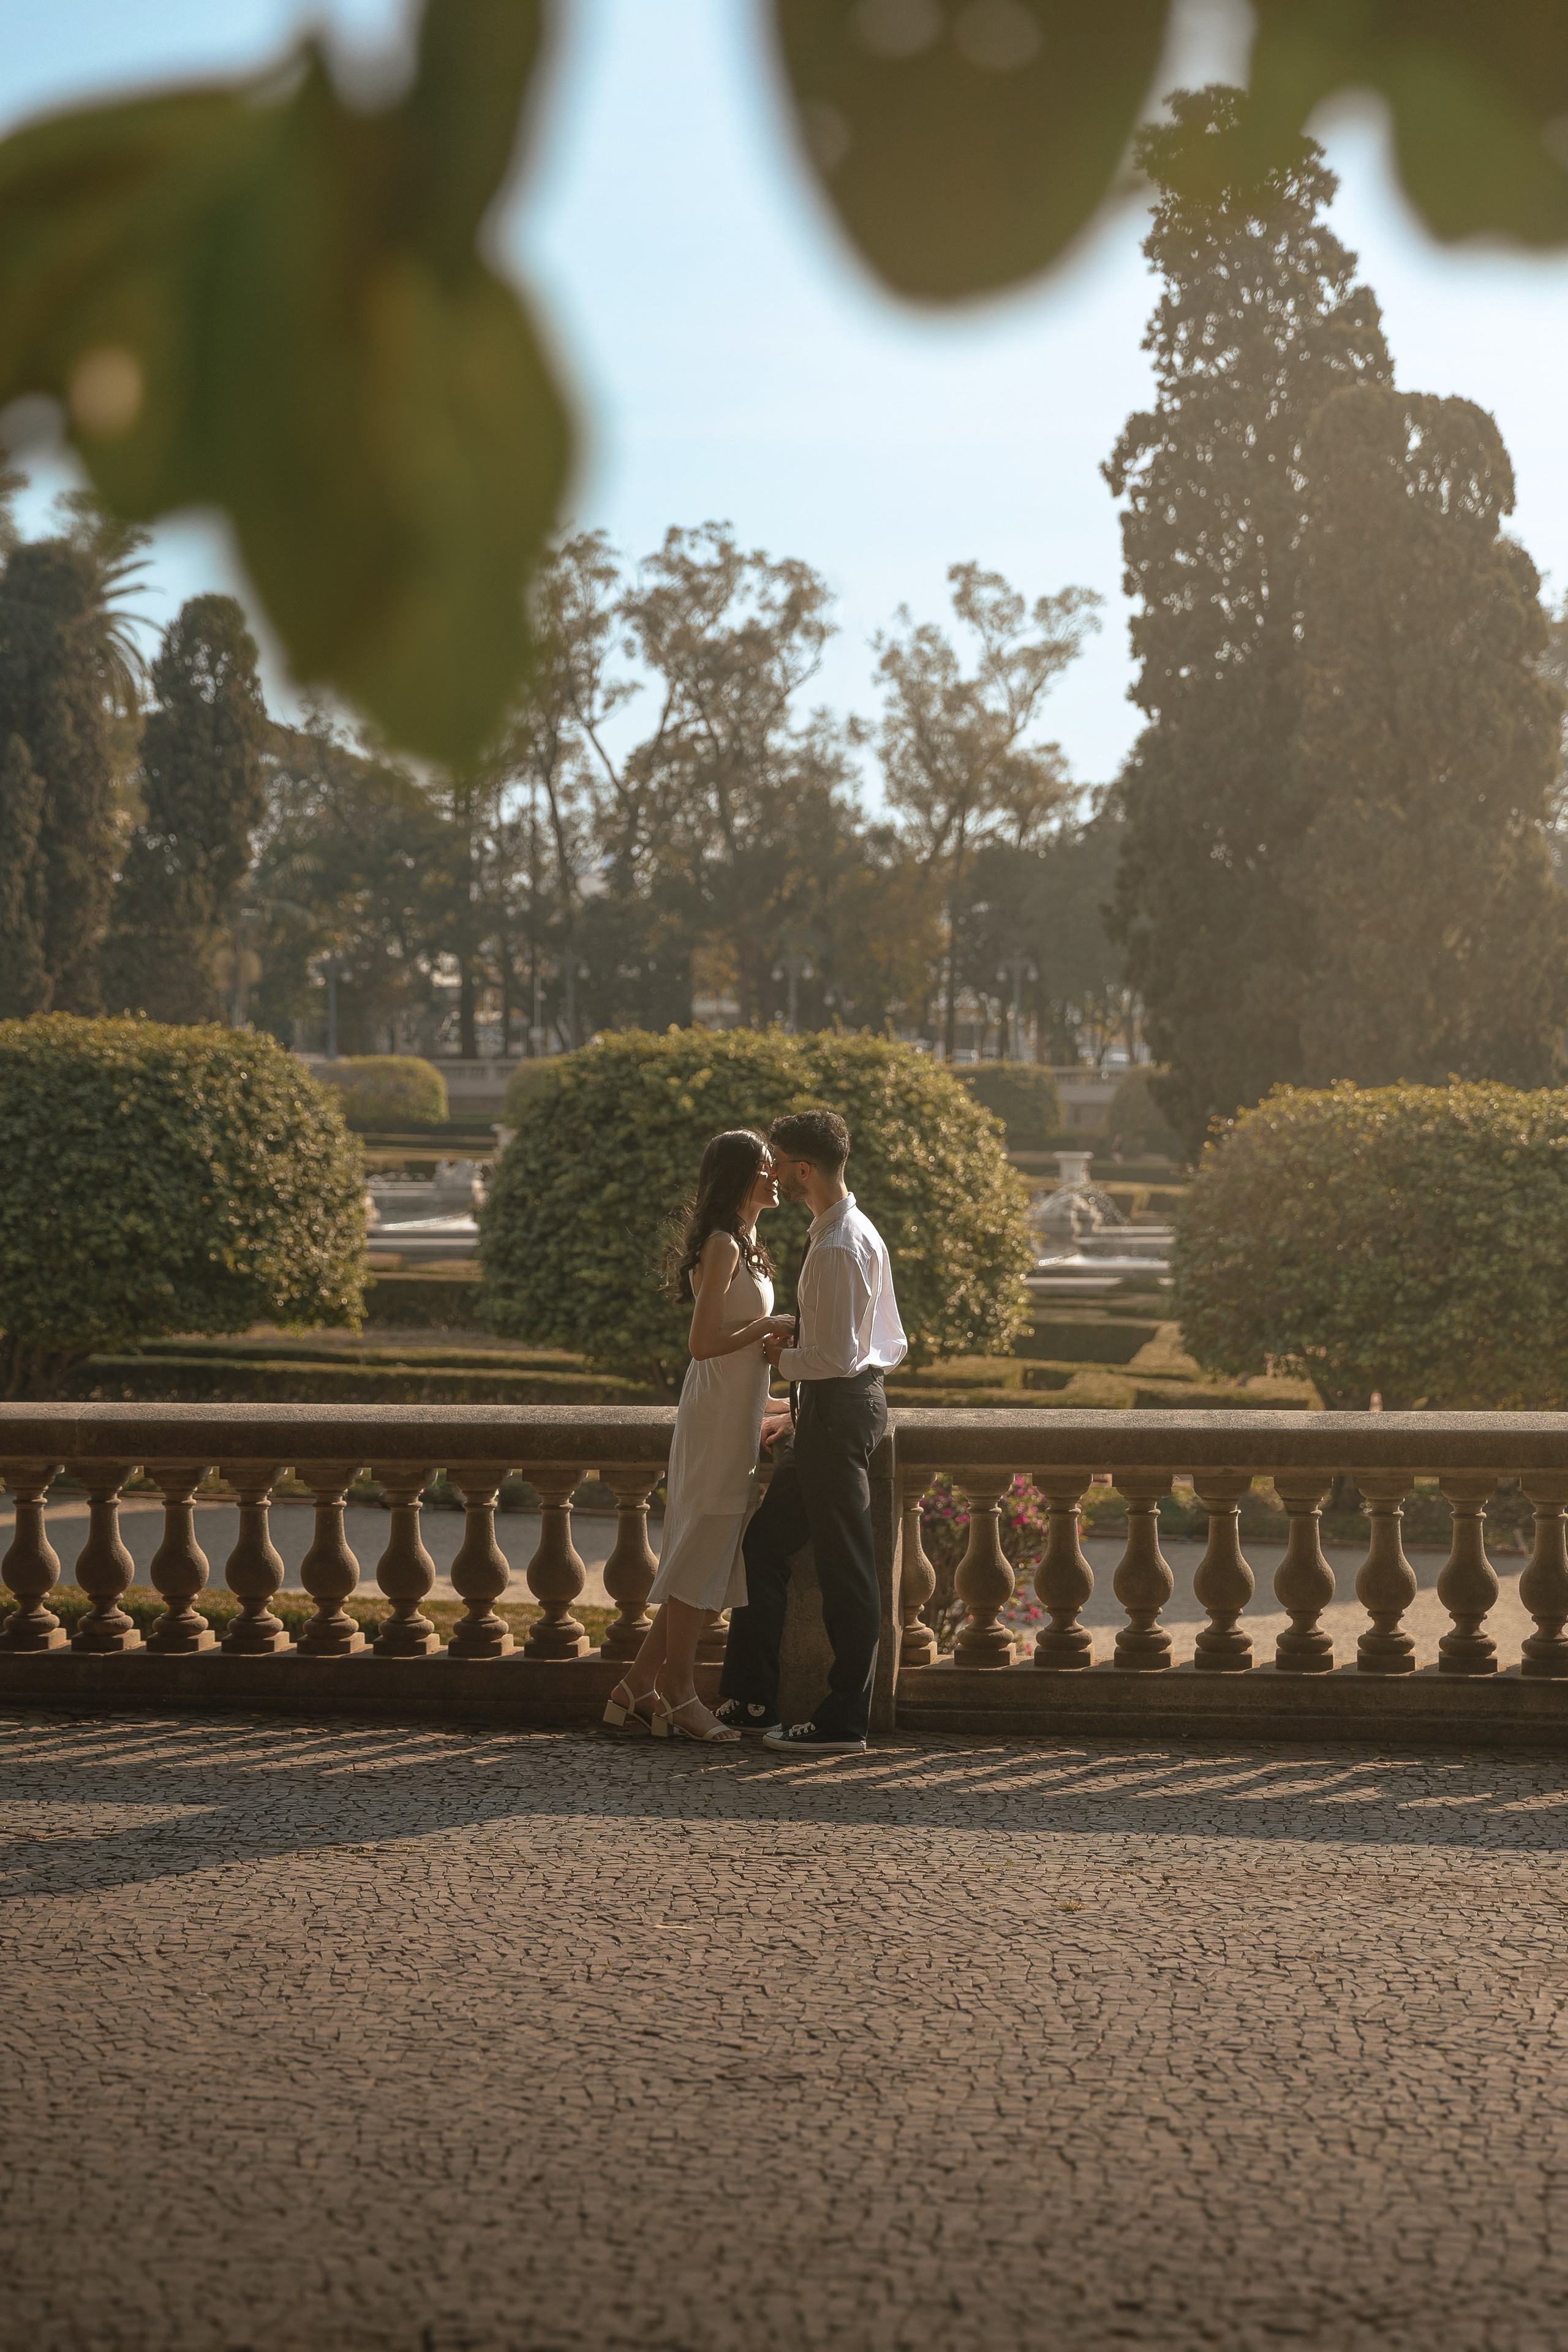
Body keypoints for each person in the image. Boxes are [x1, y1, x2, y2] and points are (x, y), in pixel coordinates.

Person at [714, 1107, 907, 1754]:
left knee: (848, 1571)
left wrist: (782, 1357)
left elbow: (843, 1356)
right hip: (827, 1413)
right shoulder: (844, 1233)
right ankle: (749, 1701)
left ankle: (843, 1720)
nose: (771, 1172)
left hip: (838, 1412)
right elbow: (865, 1345)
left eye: (777, 1162)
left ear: (803, 1169)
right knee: (765, 1550)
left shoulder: (837, 1245)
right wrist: (799, 1404)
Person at [602, 1129, 794, 1744]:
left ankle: (636, 1688)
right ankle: (679, 1695)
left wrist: (785, 1401)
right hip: (713, 1423)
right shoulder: (721, 1246)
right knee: (699, 1560)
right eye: (768, 1168)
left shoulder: (748, 1242)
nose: (778, 1176)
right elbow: (703, 1346)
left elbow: (735, 1362)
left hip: (731, 1418)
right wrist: (767, 1325)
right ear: (742, 1178)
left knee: (703, 1556)